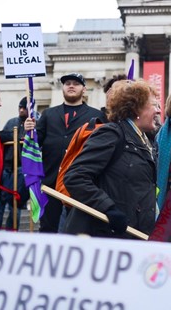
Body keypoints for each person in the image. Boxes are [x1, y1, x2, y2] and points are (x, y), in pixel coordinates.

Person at [63, 79, 157, 238]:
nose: (159, 111)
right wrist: (108, 208)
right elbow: (75, 177)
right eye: (154, 105)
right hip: (106, 236)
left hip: (133, 236)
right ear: (137, 109)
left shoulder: (145, 140)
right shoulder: (111, 133)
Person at [29, 72, 104, 233]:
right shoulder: (49, 114)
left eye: (76, 84)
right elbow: (35, 144)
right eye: (67, 83)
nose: (71, 86)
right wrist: (28, 132)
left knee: (77, 231)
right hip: (50, 183)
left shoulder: (96, 116)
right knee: (48, 229)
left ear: (84, 89)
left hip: (80, 184)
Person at [0, 96, 29, 230]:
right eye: (20, 108)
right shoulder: (12, 122)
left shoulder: (33, 123)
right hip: (7, 167)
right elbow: (1, 136)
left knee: (15, 203)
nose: (21, 110)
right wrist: (15, 137)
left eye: (24, 108)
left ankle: (12, 231)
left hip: (21, 168)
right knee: (0, 203)